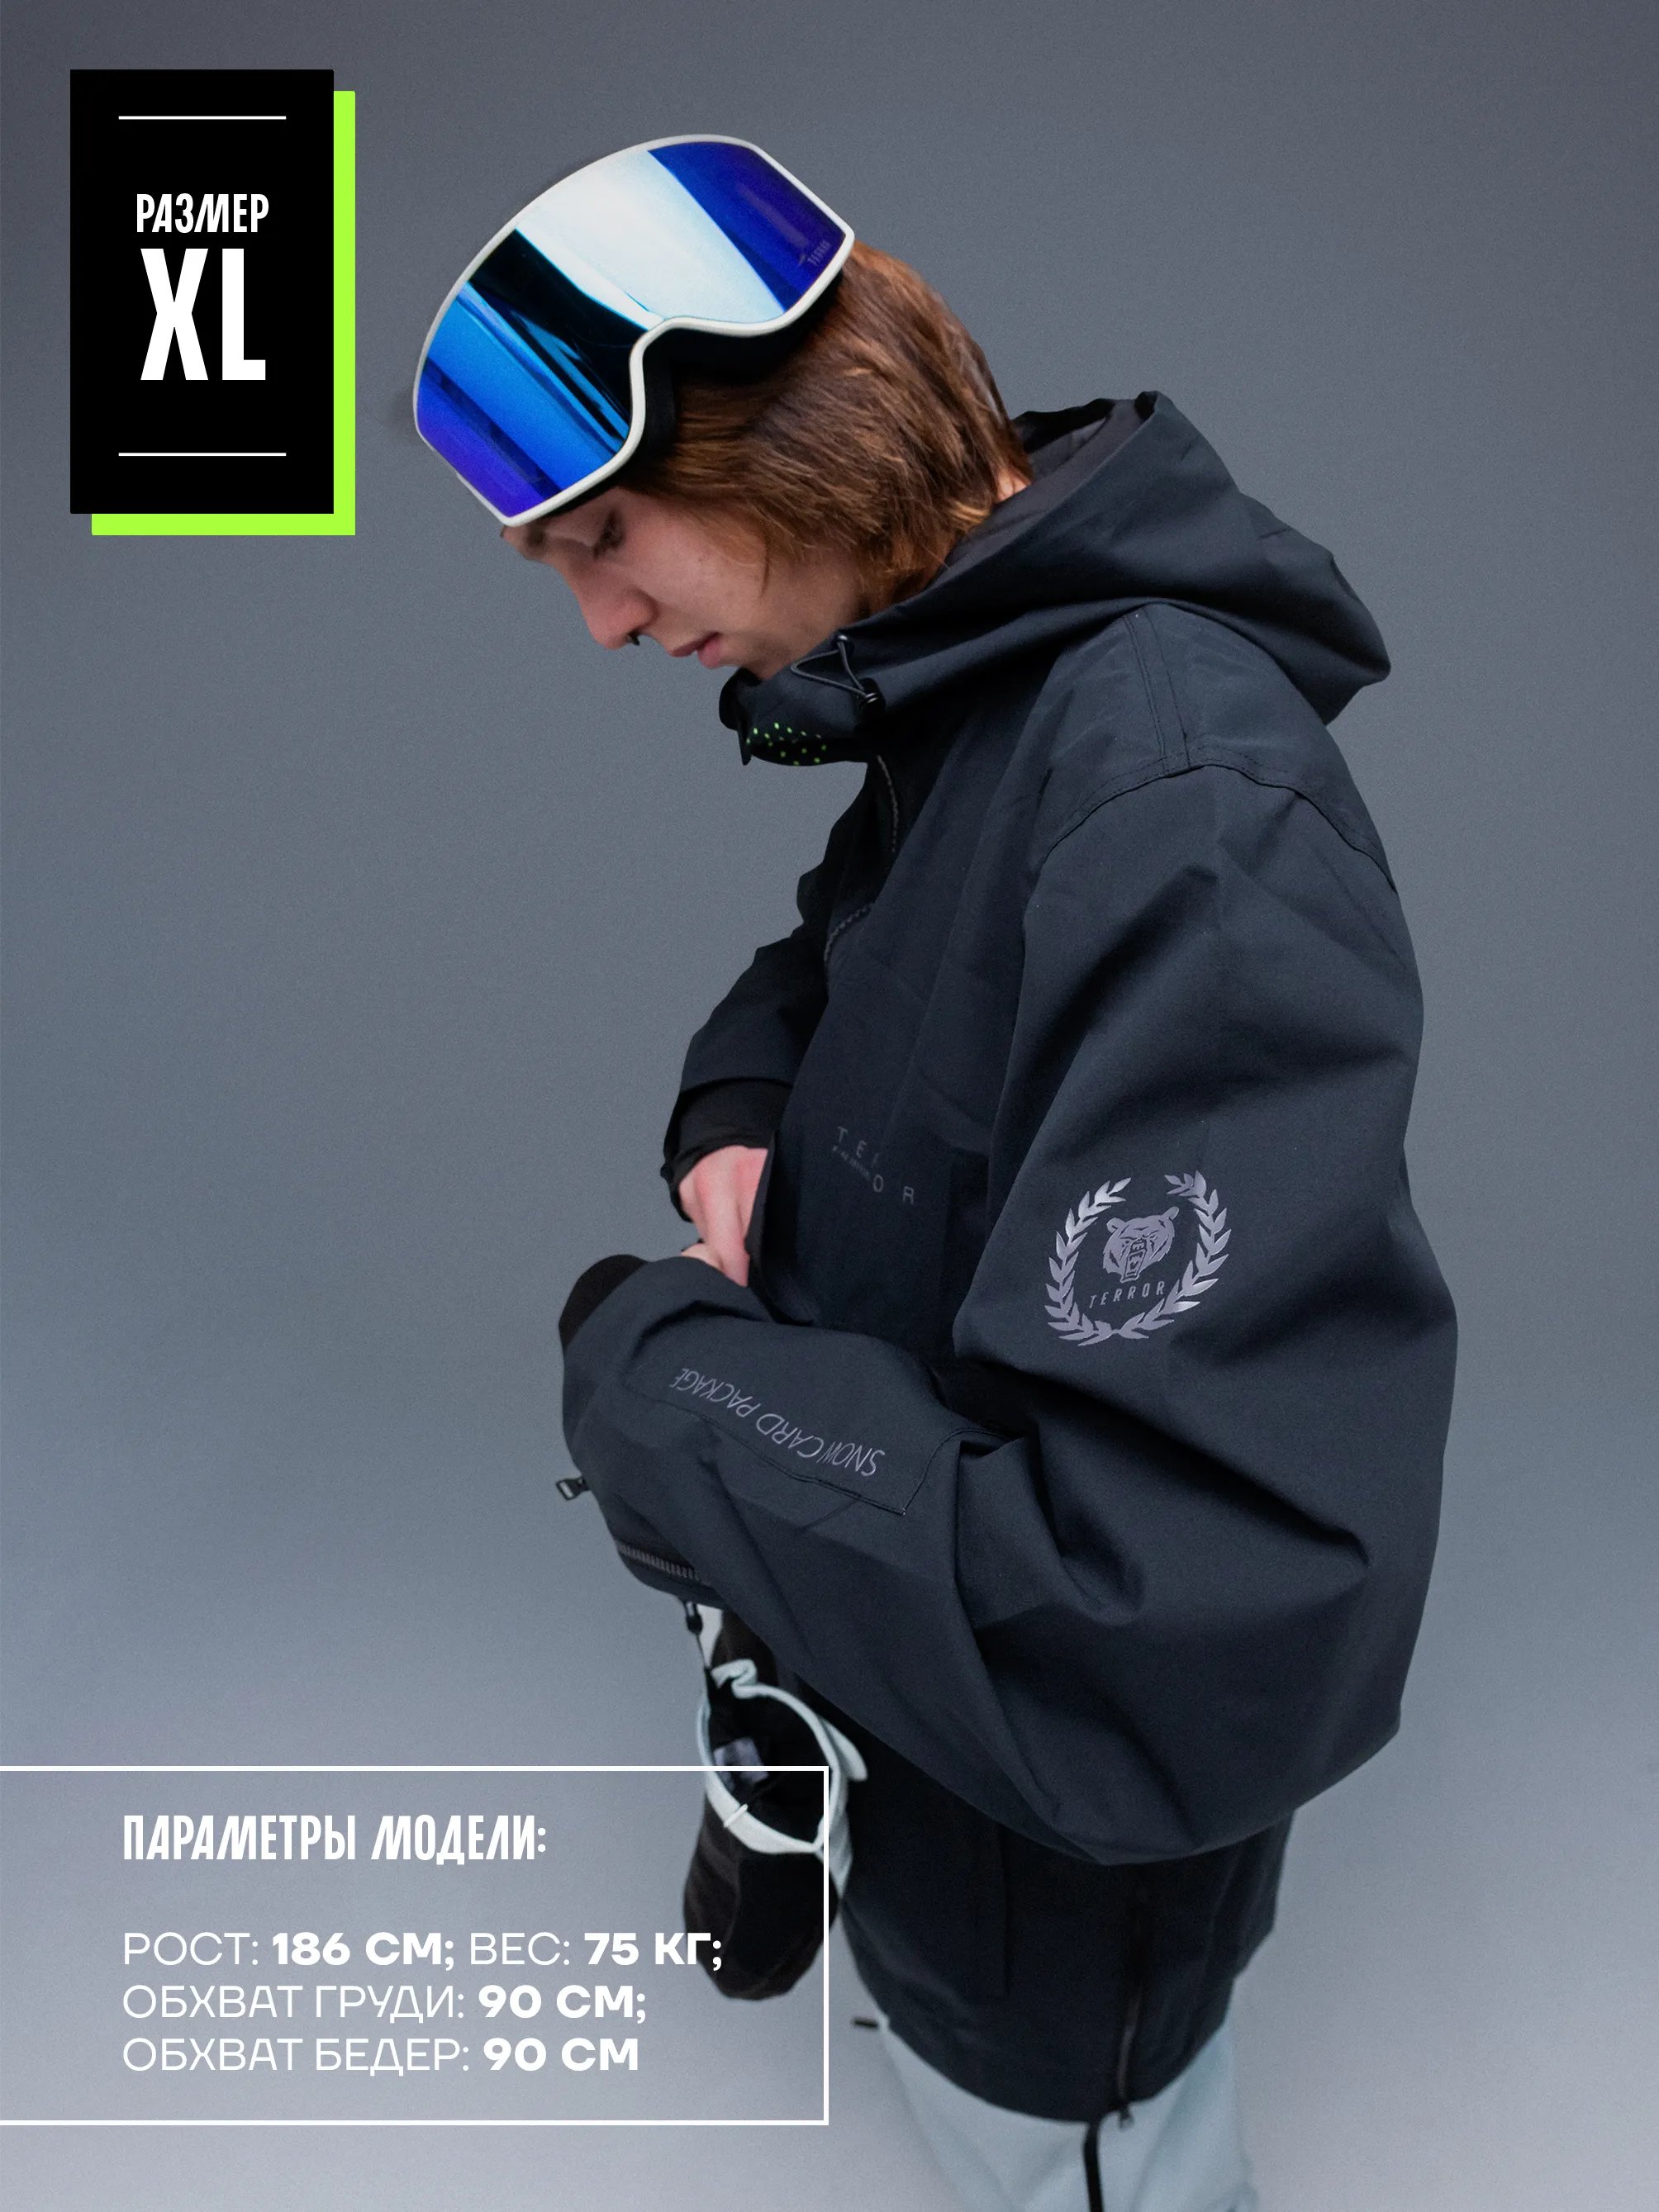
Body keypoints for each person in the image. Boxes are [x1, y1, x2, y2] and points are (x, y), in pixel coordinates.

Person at [417, 138, 1456, 2212]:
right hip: (916, 1766)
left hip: (1046, 1923)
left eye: (604, 534)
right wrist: (739, 1107)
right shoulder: (982, 685)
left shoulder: (1178, 811)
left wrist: (654, 1389)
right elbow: (846, 946)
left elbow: (1163, 1613)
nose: (602, 622)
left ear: (789, 430)